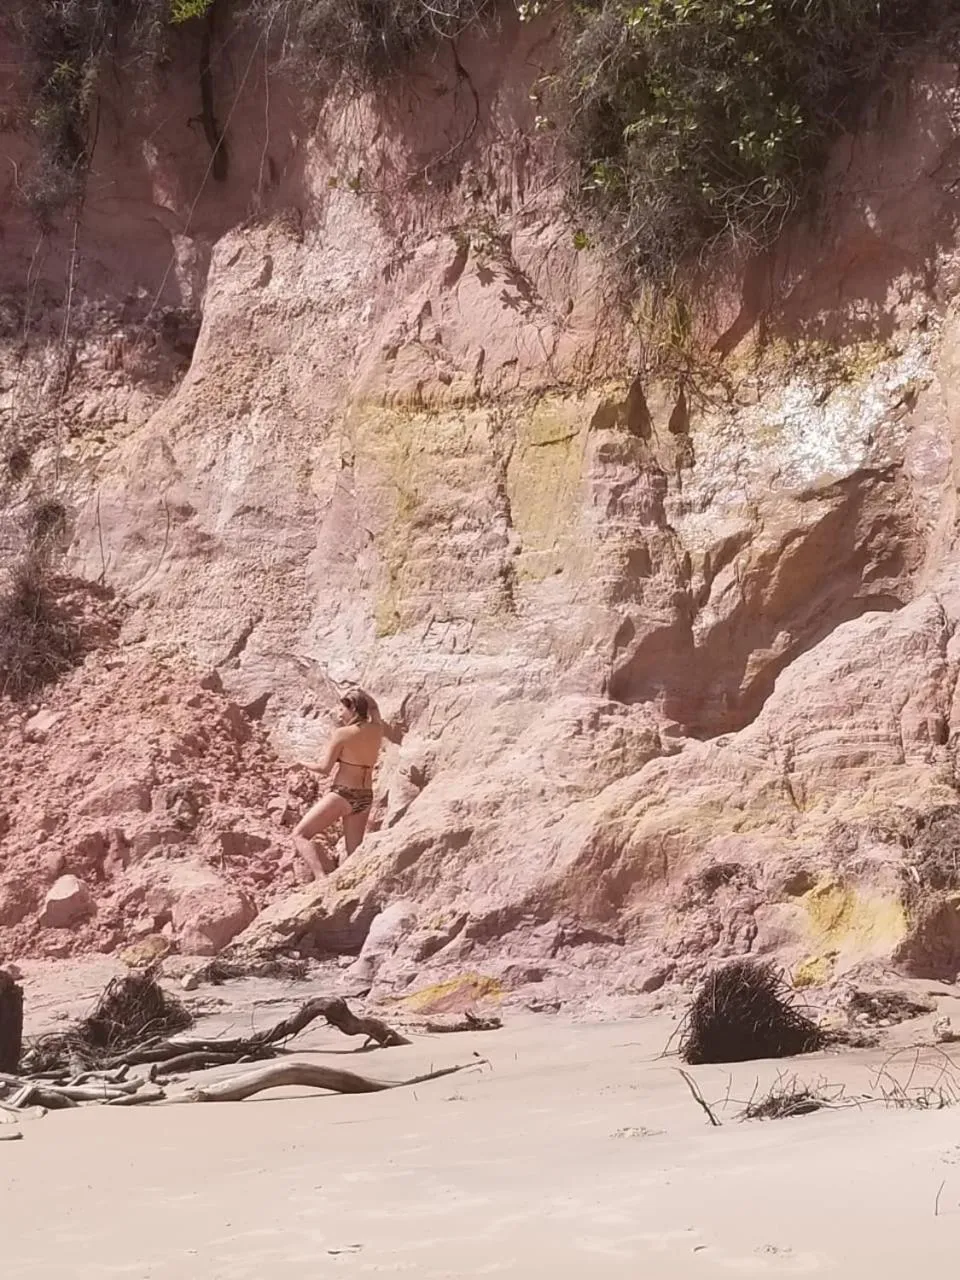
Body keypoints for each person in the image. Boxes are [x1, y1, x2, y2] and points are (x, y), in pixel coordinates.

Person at [292, 689, 384, 878]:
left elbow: (325, 769)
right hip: (365, 796)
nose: (339, 713)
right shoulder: (377, 729)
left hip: (343, 794)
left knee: (300, 835)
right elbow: (374, 707)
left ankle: (320, 878)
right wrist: (361, 693)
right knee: (354, 854)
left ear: (353, 709)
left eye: (342, 709)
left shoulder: (342, 733)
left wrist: (301, 763)